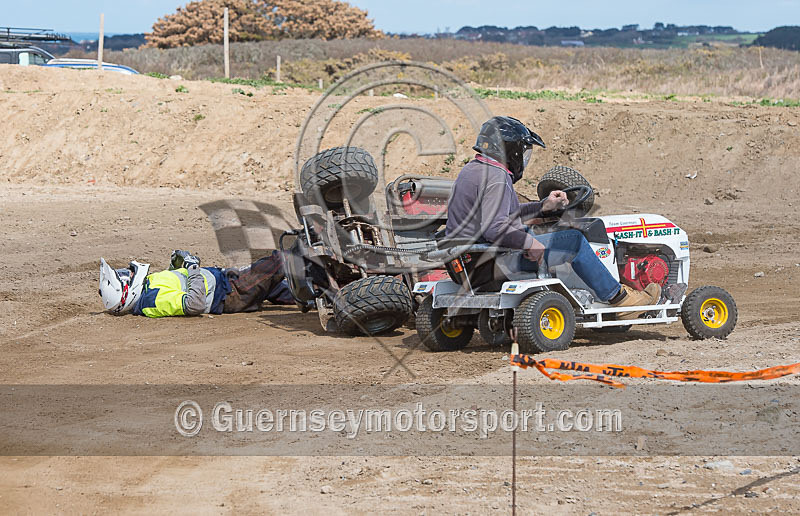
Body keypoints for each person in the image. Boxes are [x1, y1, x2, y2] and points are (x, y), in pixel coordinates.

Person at [445, 115, 660, 319]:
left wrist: (543, 207)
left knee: (542, 236)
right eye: (524, 151)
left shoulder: (473, 170)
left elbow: (507, 214)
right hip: (492, 263)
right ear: (512, 150)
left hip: (469, 262)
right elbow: (495, 228)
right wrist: (530, 243)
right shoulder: (497, 178)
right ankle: (619, 298)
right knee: (574, 241)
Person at [98, 250, 292, 317]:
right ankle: (306, 244)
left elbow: (177, 287)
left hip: (226, 283)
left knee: (298, 292)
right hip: (231, 291)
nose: (130, 272)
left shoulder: (148, 289)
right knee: (281, 261)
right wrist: (192, 268)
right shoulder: (152, 299)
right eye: (126, 276)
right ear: (126, 291)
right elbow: (194, 304)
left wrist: (175, 265)